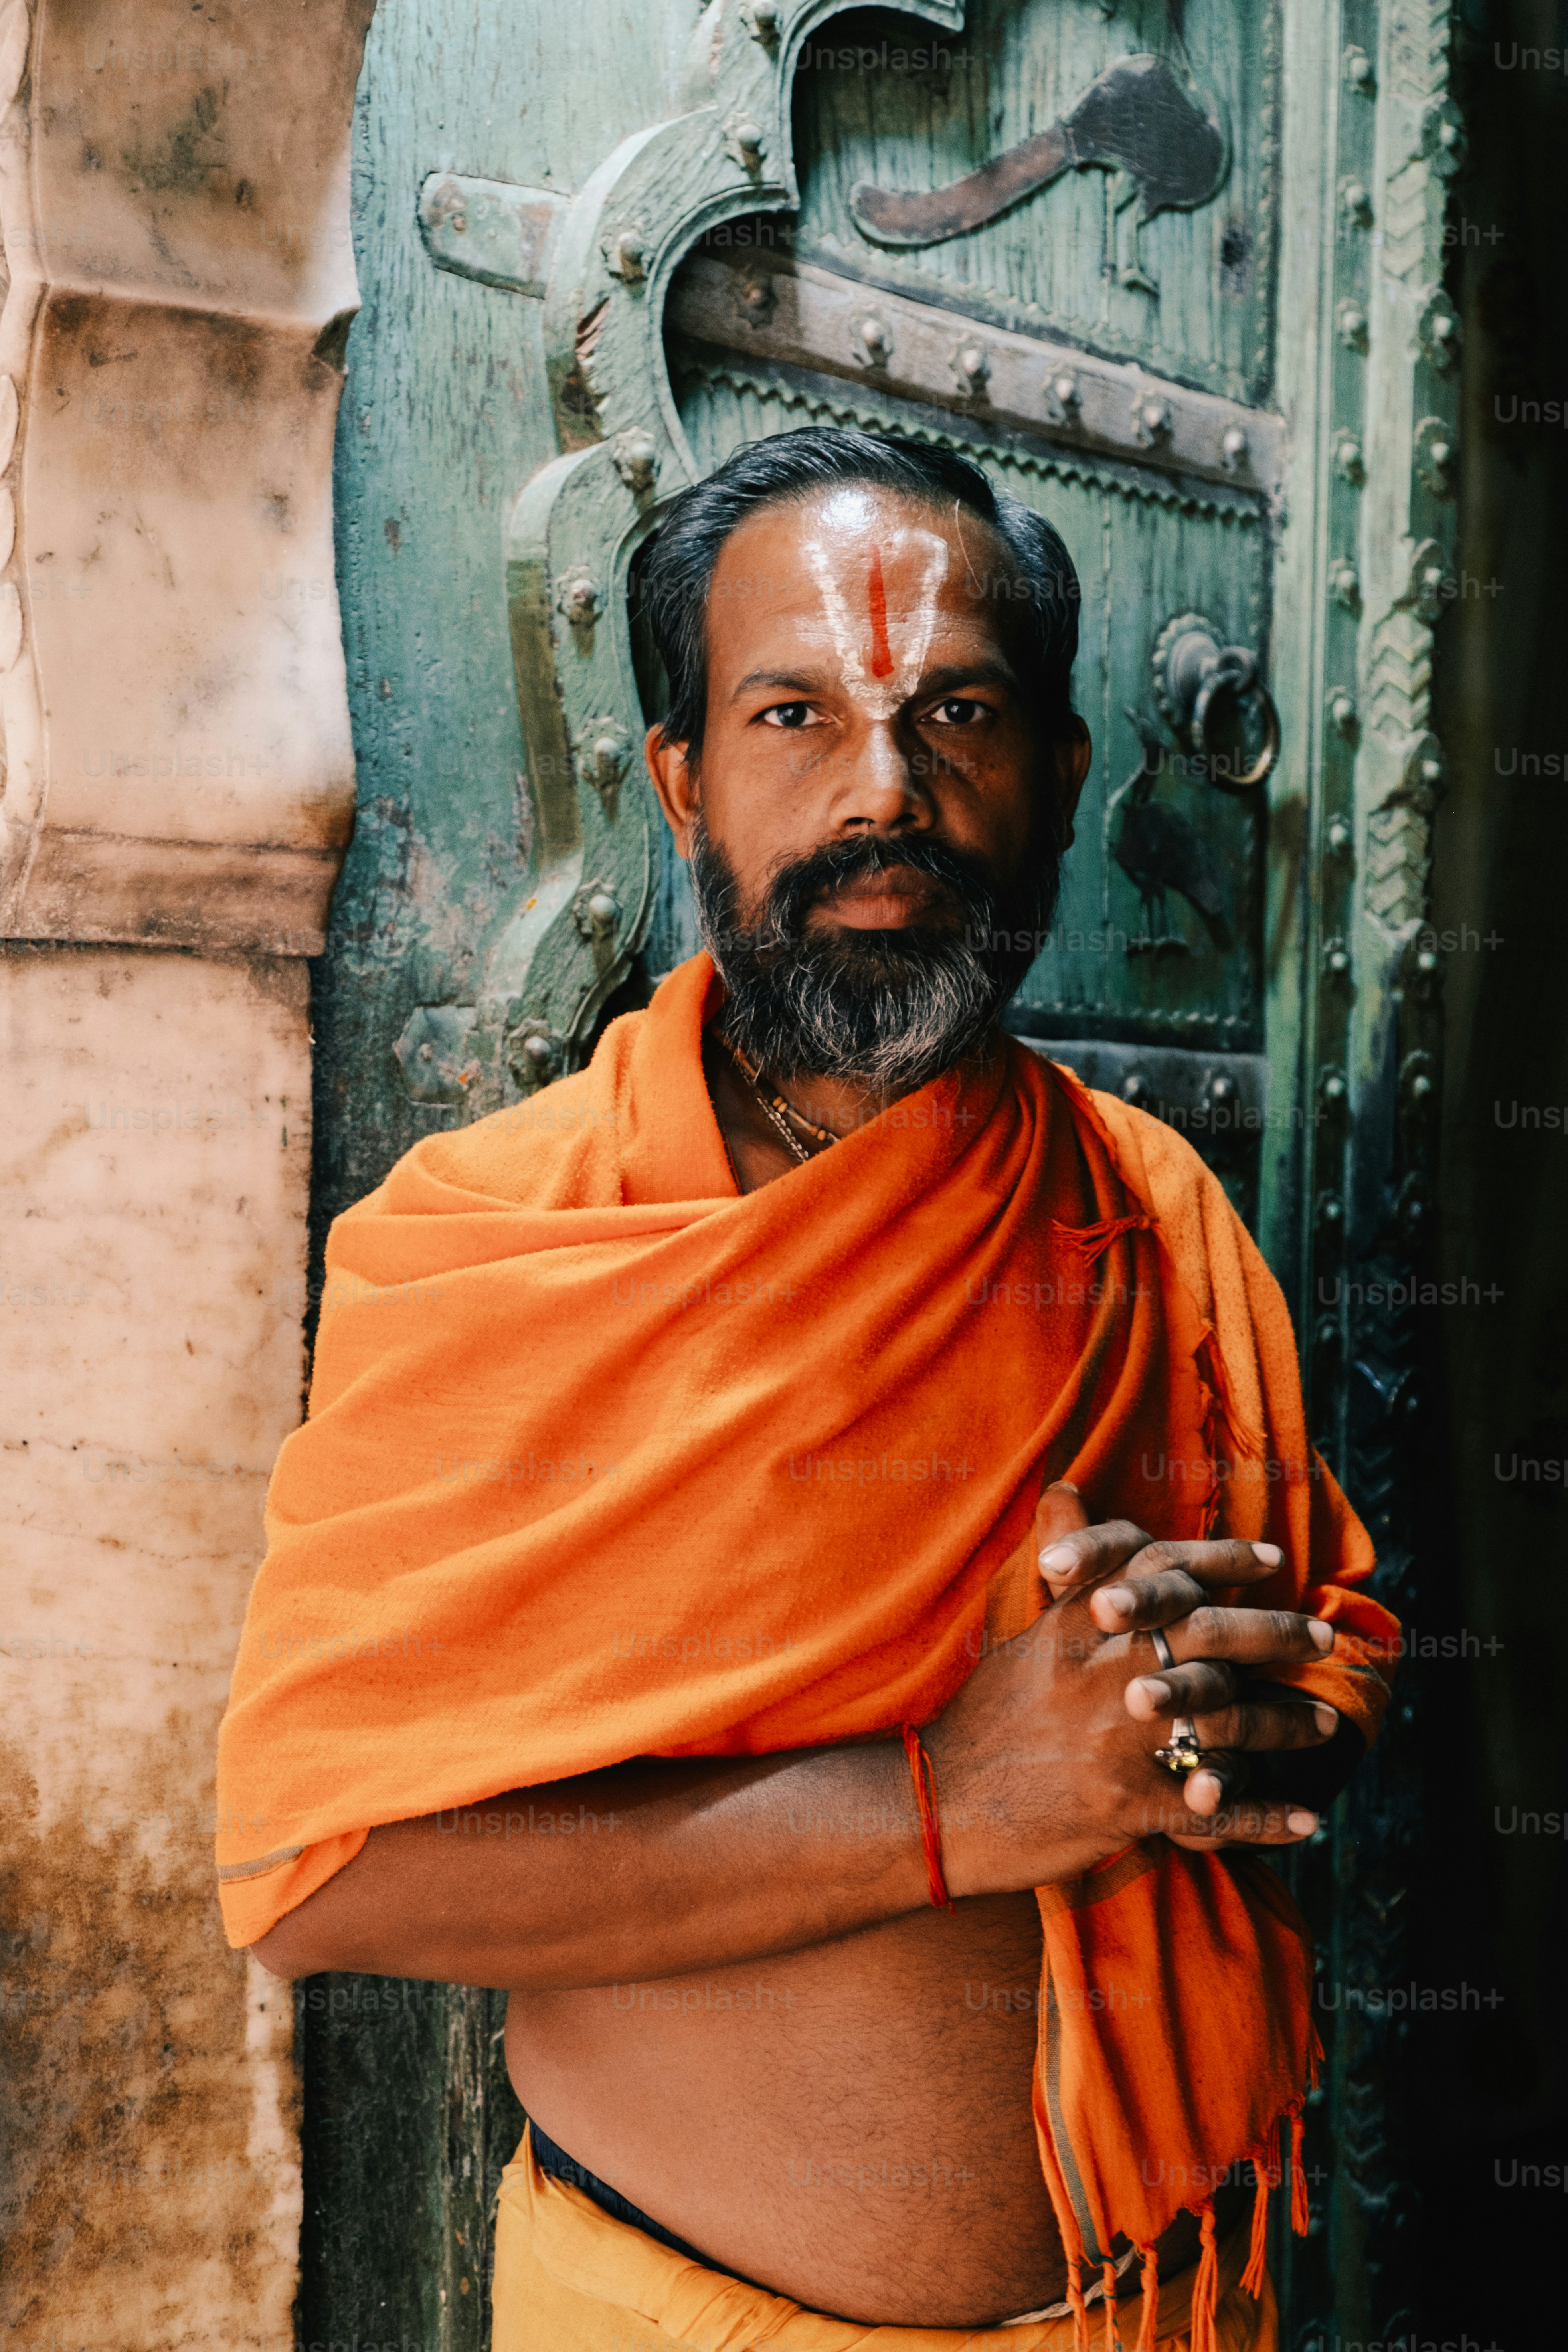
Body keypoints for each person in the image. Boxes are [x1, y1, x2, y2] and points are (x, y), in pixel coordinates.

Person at [219, 428, 1397, 2351]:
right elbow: (325, 1877)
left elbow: (1324, 1657)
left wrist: (1221, 1718)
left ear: (1064, 779)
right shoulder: (507, 1239)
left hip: (1186, 2302)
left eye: (957, 712)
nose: (884, 790)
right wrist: (957, 1797)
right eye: (793, 712)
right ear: (680, 777)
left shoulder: (1144, 1204)